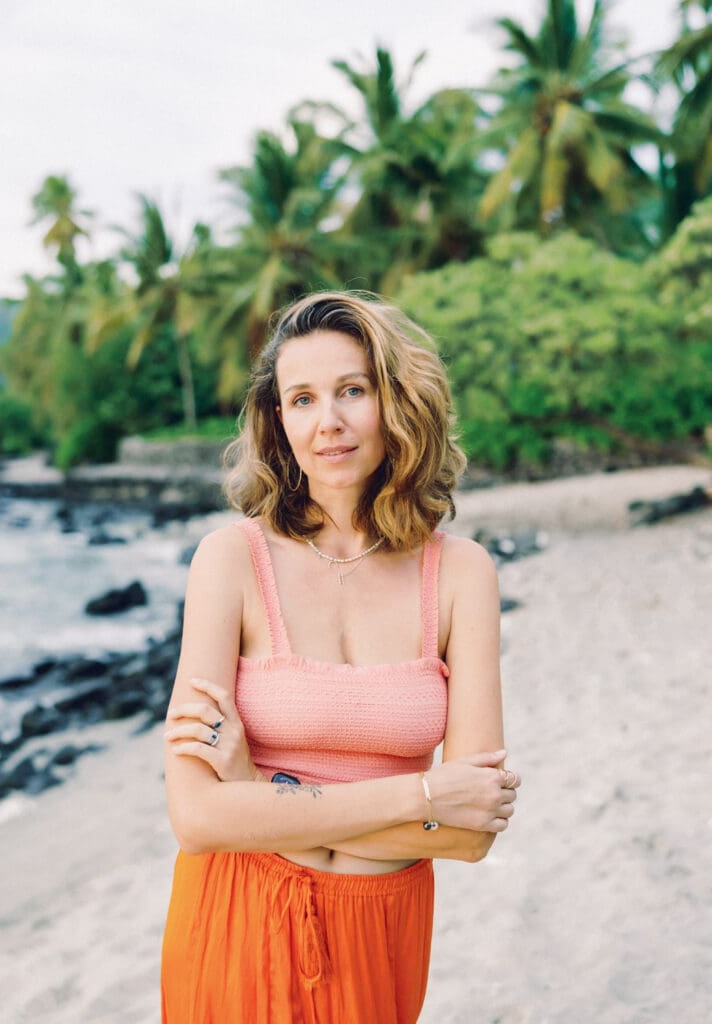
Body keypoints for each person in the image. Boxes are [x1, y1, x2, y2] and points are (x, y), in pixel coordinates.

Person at [160, 291, 520, 1023]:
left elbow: (471, 829)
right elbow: (198, 817)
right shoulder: (229, 562)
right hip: (236, 913)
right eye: (301, 398)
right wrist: (420, 796)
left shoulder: (460, 573)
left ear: (396, 401)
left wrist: (258, 788)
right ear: (278, 421)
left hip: (381, 929)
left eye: (352, 390)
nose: (329, 422)